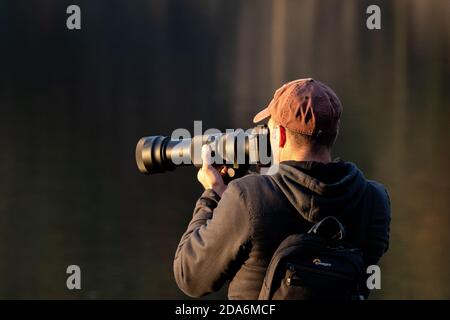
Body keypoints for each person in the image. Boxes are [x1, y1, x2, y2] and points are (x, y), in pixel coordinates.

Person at [173, 78, 391, 299]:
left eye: (269, 129)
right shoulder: (374, 201)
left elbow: (190, 277)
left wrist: (213, 194)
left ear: (281, 135)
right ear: (334, 133)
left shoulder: (247, 197)